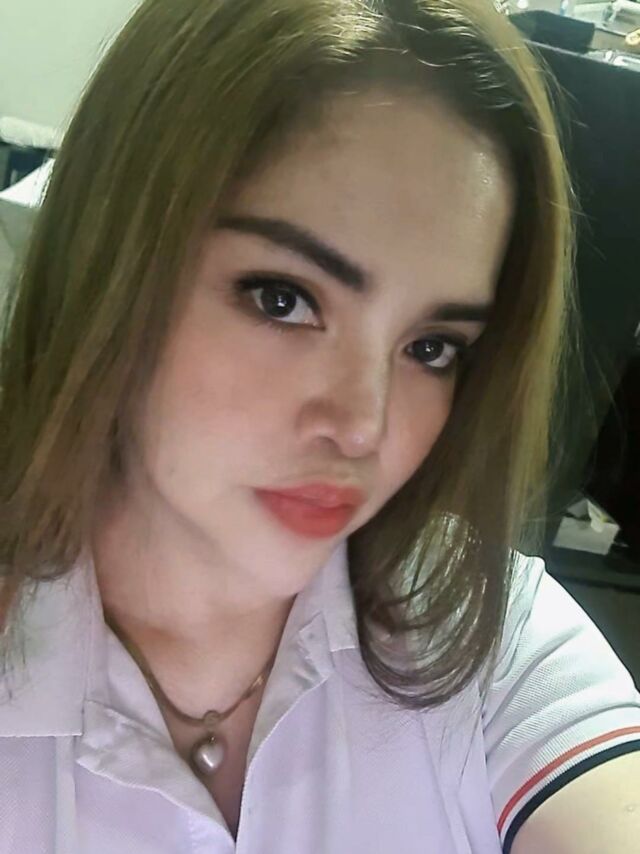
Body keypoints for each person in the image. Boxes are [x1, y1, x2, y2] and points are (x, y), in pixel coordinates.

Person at [1, 0, 638, 851]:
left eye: (432, 348)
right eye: (283, 299)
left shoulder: (477, 625)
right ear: (111, 260)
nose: (365, 427)